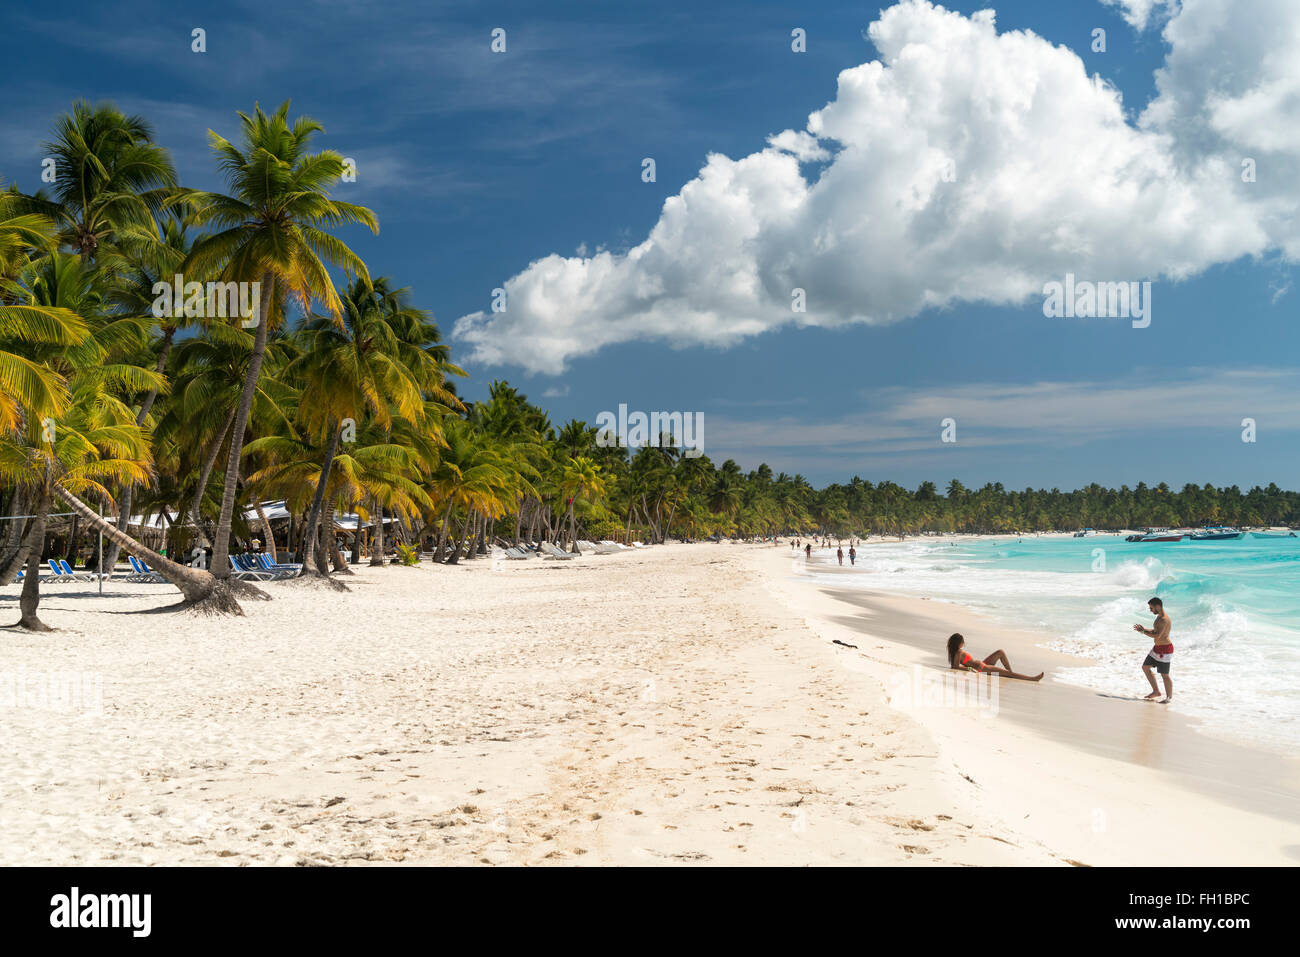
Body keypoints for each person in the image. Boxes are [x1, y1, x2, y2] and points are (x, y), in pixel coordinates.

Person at [947, 633, 1043, 681]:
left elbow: (956, 665)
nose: (963, 643)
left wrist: (969, 667)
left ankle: (1009, 671)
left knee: (1000, 652)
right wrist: (970, 668)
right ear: (958, 643)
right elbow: (955, 667)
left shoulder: (957, 652)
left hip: (982, 664)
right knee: (1009, 674)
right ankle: (1032, 678)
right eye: (962, 642)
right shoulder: (958, 652)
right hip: (982, 668)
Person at [1133, 597, 1173, 701]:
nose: (1150, 610)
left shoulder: (1164, 620)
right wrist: (1143, 629)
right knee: (1145, 667)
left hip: (1165, 650)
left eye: (1151, 608)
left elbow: (1157, 636)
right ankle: (1156, 691)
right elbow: (1155, 631)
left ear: (1158, 606)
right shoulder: (1159, 617)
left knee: (1164, 675)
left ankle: (1168, 698)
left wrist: (1142, 632)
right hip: (1157, 648)